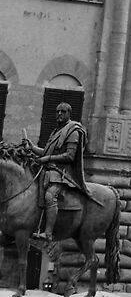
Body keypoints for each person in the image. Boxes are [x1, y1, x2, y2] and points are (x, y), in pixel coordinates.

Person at [30, 101, 89, 242]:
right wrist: (31, 147)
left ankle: (48, 233)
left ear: (69, 113)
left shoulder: (73, 131)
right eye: (57, 111)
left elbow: (69, 156)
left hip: (62, 173)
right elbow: (45, 151)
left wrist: (47, 158)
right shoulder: (56, 131)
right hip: (49, 171)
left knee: (50, 196)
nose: (59, 114)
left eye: (63, 111)